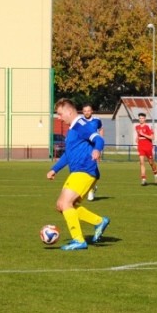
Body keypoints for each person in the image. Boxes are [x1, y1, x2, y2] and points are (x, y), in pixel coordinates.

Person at [46, 98, 109, 251]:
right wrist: (54, 169)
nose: (59, 118)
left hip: (85, 170)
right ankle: (98, 221)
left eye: (60, 114)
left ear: (69, 111)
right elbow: (68, 155)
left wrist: (97, 149)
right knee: (62, 206)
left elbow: (98, 138)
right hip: (78, 171)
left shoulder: (81, 125)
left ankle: (78, 240)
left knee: (64, 204)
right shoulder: (72, 130)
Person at [76, 104, 104, 200]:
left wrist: (100, 144)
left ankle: (91, 189)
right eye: (85, 111)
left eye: (88, 110)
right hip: (83, 148)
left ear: (92, 111)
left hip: (94, 148)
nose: (87, 112)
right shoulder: (80, 121)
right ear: (82, 112)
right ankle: (90, 187)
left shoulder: (97, 120)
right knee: (83, 167)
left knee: (94, 168)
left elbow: (100, 129)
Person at [135, 112, 157, 186]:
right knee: (142, 162)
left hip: (148, 146)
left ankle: (155, 173)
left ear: (145, 119)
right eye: (140, 118)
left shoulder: (148, 127)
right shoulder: (137, 127)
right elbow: (138, 135)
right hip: (141, 146)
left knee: (151, 162)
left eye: (142, 118)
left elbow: (152, 137)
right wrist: (137, 138)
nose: (141, 119)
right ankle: (143, 179)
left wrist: (144, 134)